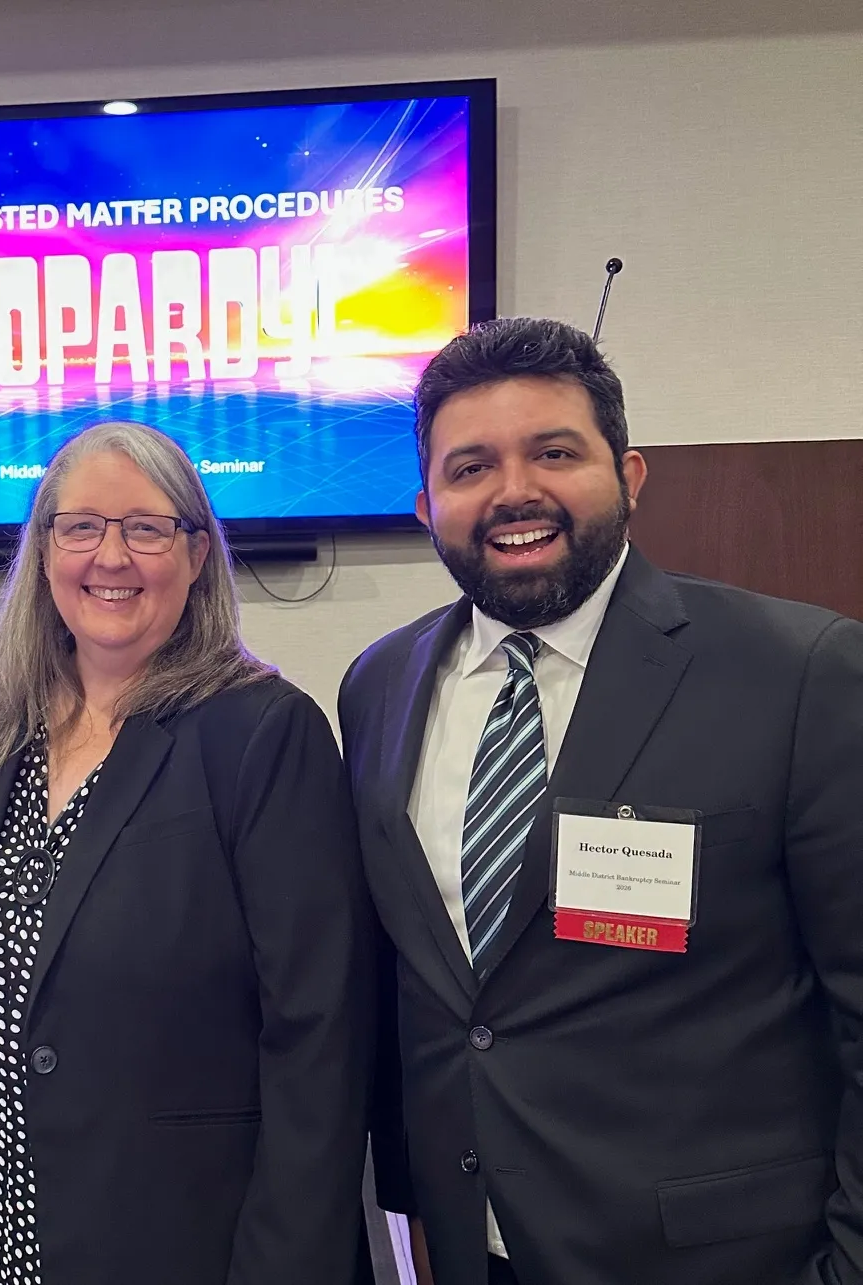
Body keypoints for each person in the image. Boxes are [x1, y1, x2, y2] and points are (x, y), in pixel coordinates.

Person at [339, 316, 863, 1285]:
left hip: (724, 1257)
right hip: (470, 1243)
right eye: (470, 467)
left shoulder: (799, 673)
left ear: (628, 475)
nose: (514, 491)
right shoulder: (377, 685)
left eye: (553, 452)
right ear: (425, 504)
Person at [0, 422, 374, 1285]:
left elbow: (319, 1037)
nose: (110, 556)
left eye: (146, 528)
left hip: (178, 1237)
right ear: (44, 552)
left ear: (195, 554)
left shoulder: (264, 730)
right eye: (80, 526)